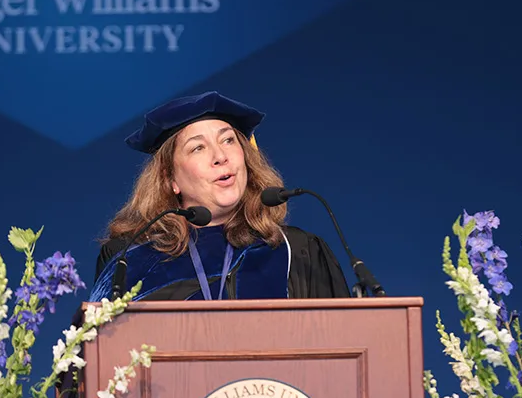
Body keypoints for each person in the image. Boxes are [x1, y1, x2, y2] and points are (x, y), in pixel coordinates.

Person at [87, 91, 350, 302]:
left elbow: (341, 342)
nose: (220, 156)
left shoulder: (297, 251)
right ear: (170, 179)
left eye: (228, 140)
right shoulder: (129, 260)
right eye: (198, 148)